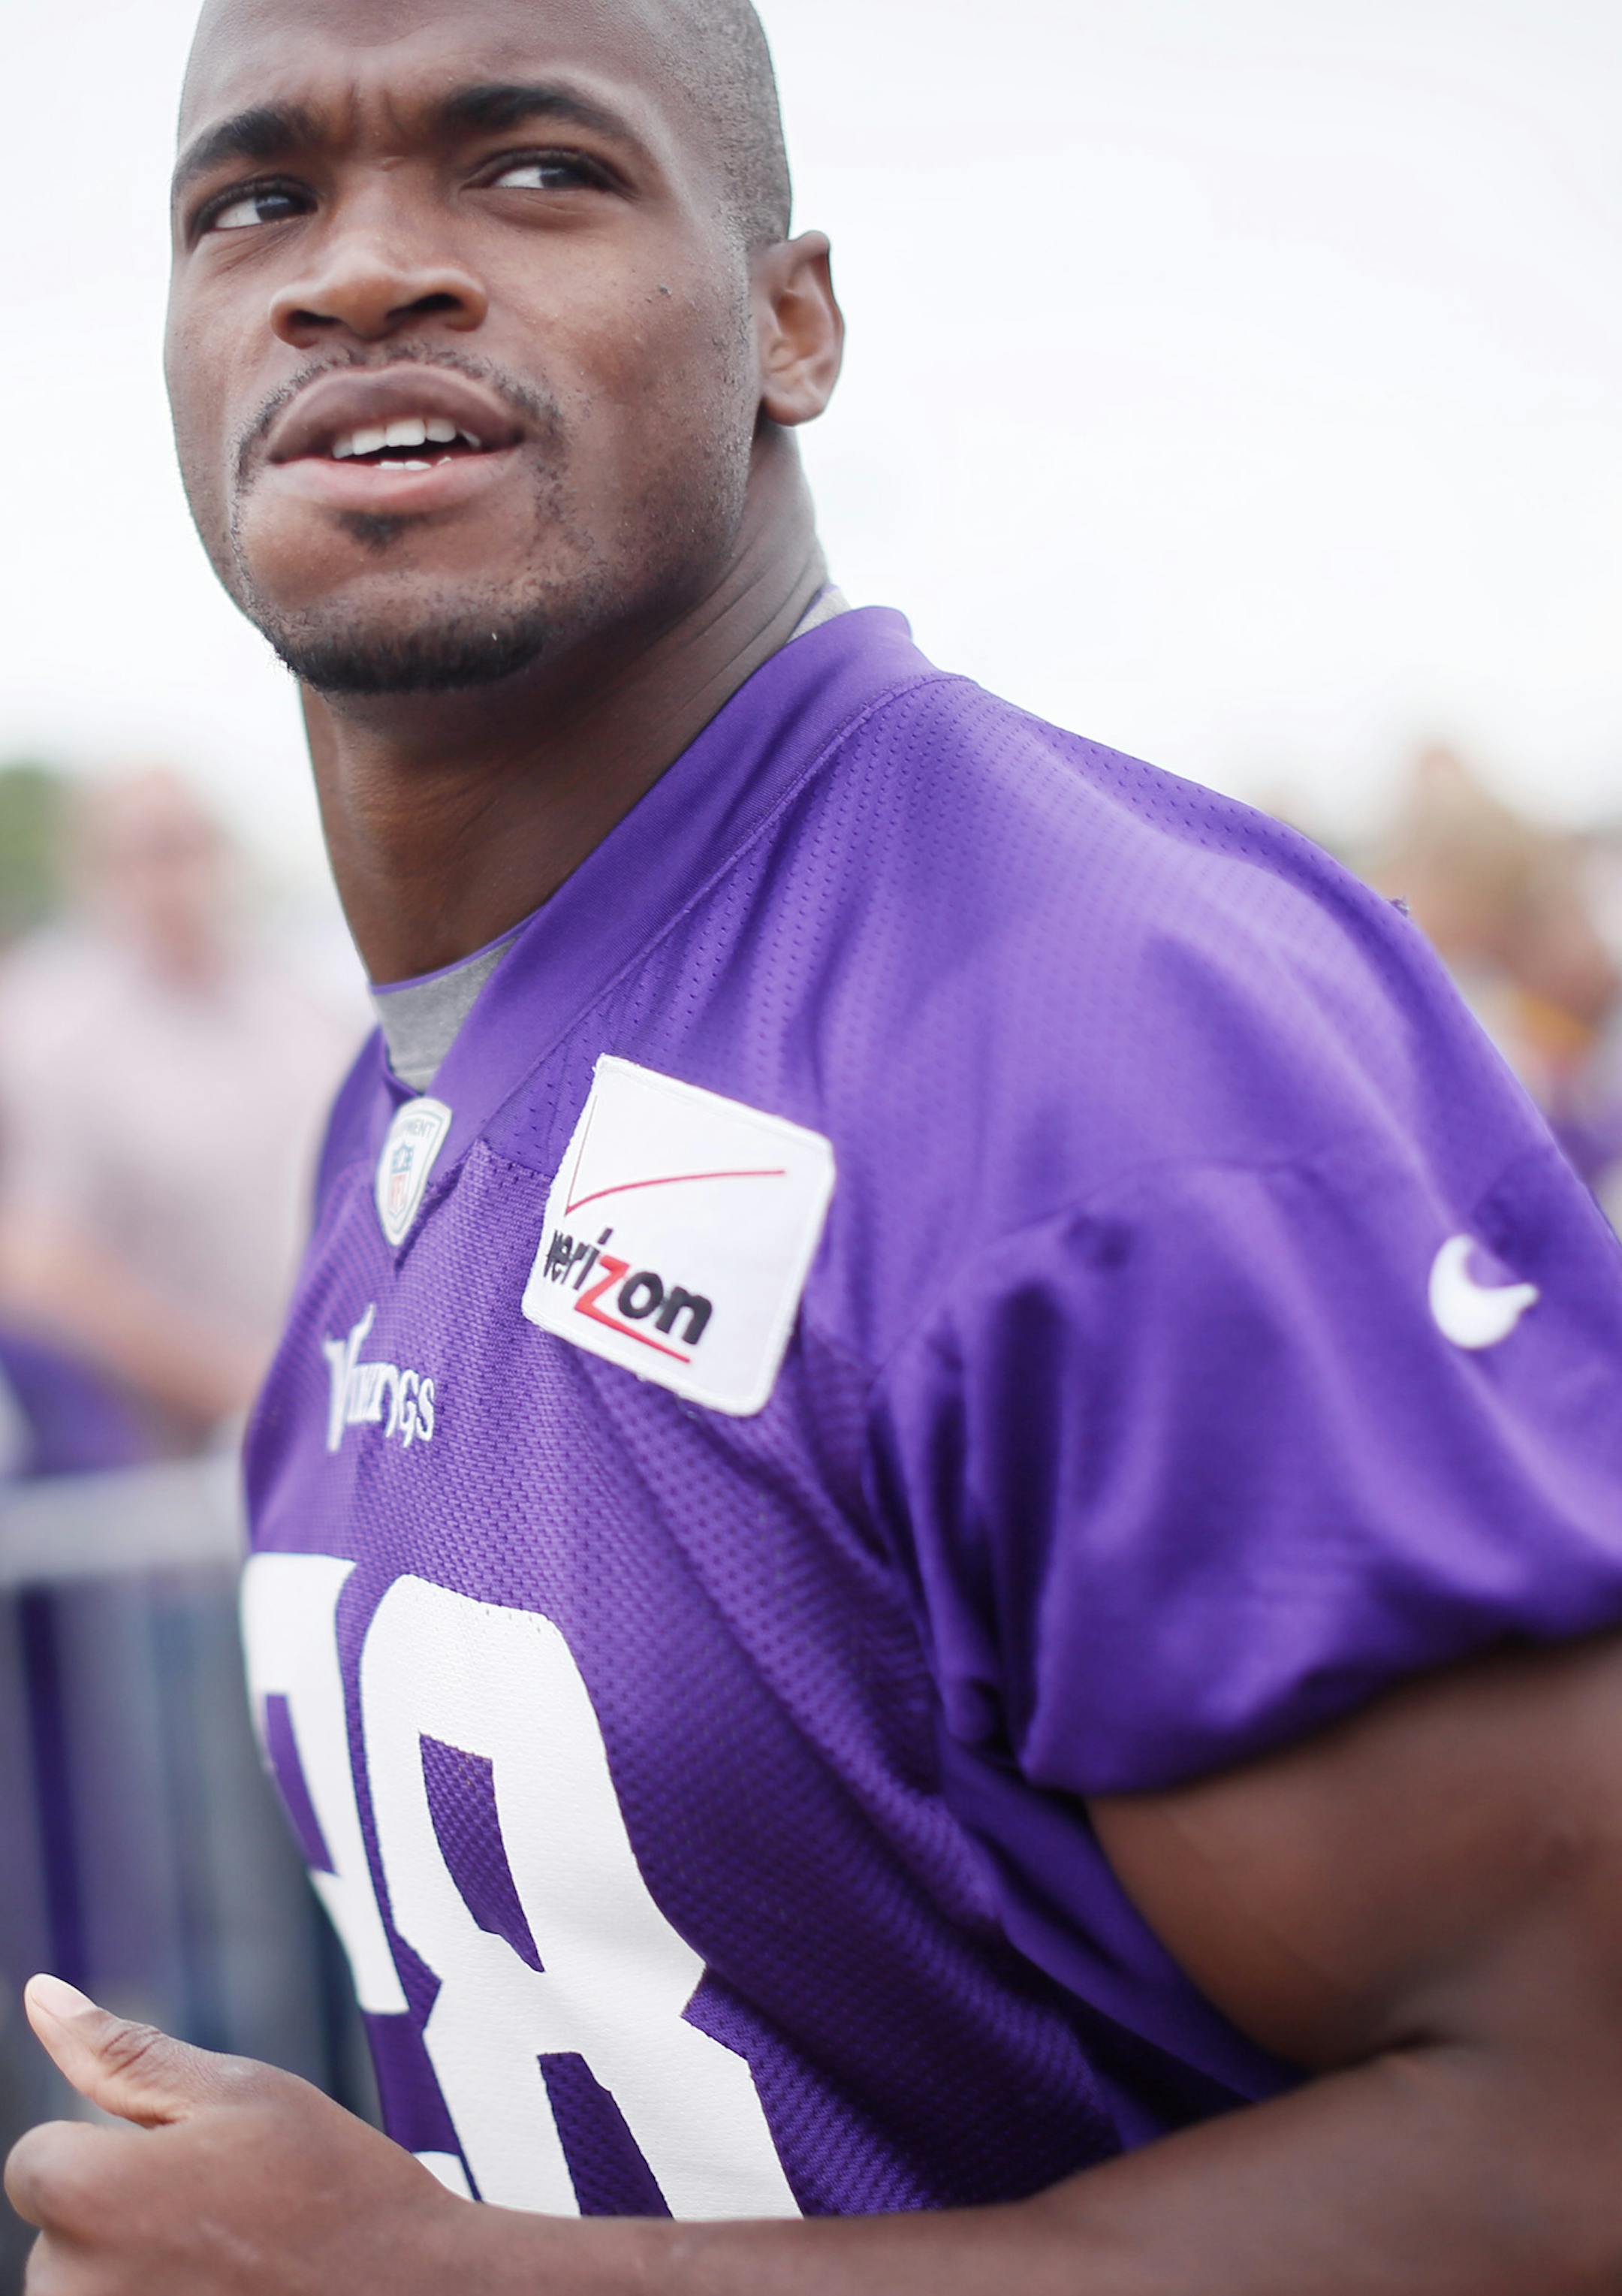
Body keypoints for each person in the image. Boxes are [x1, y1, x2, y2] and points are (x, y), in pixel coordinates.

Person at [9, 0, 1622, 2288]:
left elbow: (1569, 2151)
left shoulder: (1092, 1034)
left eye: (532, 166)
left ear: (790, 323)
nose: (360, 269)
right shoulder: (408, 1090)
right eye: (255, 199)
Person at [0, 770, 360, 1448]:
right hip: (153, 1467)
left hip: (321, 1408)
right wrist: (247, 1385)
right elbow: (38, 1264)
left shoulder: (301, 1006)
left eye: (190, 848)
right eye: (148, 852)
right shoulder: (47, 1024)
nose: (174, 880)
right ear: (87, 870)